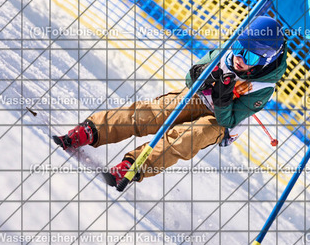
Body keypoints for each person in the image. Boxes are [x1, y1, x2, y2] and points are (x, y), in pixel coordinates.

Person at [53, 16, 288, 186]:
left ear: (265, 61)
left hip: (222, 122)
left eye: (250, 56)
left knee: (189, 137)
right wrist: (201, 74)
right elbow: (190, 78)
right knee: (156, 114)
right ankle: (90, 131)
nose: (239, 58)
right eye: (239, 47)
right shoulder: (228, 53)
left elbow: (229, 120)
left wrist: (222, 99)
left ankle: (131, 168)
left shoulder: (263, 88)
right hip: (199, 98)